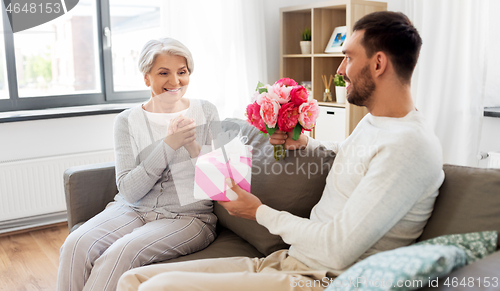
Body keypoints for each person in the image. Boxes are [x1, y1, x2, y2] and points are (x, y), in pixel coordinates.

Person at [117, 11, 445, 291]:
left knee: (155, 288)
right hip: (290, 262)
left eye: (348, 56)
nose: (341, 69)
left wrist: (257, 211)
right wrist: (306, 142)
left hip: (323, 279)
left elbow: (338, 249)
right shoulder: (378, 123)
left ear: (378, 63)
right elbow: (347, 153)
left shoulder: (409, 147)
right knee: (133, 280)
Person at [57, 38, 220, 291]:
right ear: (147, 77)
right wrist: (168, 145)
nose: (175, 82)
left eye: (182, 72)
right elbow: (130, 191)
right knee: (76, 244)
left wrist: (192, 148)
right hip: (132, 209)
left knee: (122, 252)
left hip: (188, 217)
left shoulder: (206, 111)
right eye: (163, 73)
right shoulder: (127, 121)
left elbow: (218, 184)